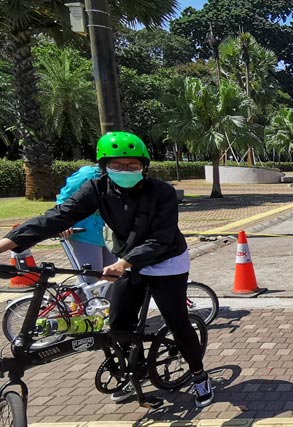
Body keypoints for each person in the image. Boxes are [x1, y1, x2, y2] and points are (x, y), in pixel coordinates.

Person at [0, 131, 213, 408]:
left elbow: (160, 239)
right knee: (118, 323)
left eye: (133, 165)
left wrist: (124, 263)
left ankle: (199, 375)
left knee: (177, 321)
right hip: (127, 260)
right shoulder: (97, 188)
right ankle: (131, 373)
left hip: (166, 261)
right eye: (117, 165)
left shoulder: (162, 192)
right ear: (104, 166)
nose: (125, 170)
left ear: (144, 166)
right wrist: (5, 244)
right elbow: (57, 217)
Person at [56, 165, 116, 283]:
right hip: (84, 234)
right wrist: (63, 223)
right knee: (90, 279)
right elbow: (64, 198)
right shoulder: (87, 174)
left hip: (109, 234)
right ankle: (77, 296)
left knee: (111, 279)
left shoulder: (122, 178)